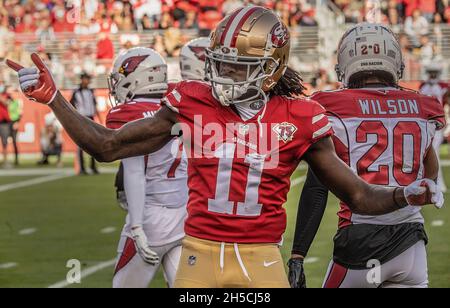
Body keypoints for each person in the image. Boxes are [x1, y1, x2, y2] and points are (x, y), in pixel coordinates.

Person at [7, 6, 443, 288]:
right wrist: (54, 100)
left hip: (261, 260)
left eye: (238, 68)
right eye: (221, 65)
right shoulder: (193, 102)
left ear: (270, 70)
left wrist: (405, 194)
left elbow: (359, 195)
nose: (222, 78)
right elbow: (106, 146)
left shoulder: (299, 116)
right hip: (198, 256)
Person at [289, 23, 446, 289]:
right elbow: (429, 172)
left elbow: (317, 185)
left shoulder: (328, 104)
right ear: (395, 60)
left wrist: (297, 254)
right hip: (412, 242)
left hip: (361, 240)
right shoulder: (424, 106)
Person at [106, 47, 188, 288]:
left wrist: (137, 226)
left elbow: (134, 172)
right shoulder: (179, 106)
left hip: (150, 216)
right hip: (184, 214)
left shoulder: (129, 112)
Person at [419, 62, 449, 193]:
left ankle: (438, 185)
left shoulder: (443, 86)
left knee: (434, 152)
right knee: (424, 153)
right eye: (431, 73)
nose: (432, 75)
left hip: (437, 123)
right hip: (425, 122)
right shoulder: (423, 86)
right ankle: (430, 183)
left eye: (434, 73)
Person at [70, 72, 101, 175]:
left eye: (88, 79)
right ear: (82, 80)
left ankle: (93, 166)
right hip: (81, 118)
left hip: (90, 118)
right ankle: (82, 168)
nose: (87, 81)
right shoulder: (76, 92)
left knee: (93, 143)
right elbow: (72, 106)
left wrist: (98, 119)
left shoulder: (91, 92)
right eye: (85, 79)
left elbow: (94, 106)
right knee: (81, 144)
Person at [7, 90, 23, 166]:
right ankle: (6, 159)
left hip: (14, 122)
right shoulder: (7, 102)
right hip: (7, 122)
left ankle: (16, 159)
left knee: (14, 141)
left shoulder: (16, 102)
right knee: (5, 141)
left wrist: (17, 122)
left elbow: (20, 113)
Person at [0, 83, 11, 166]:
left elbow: (7, 103)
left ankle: (5, 161)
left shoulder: (7, 95)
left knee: (4, 142)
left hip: (4, 122)